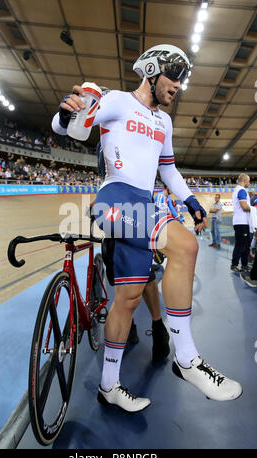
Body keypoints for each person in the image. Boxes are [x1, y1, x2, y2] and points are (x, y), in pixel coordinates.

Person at [52, 43, 242, 411]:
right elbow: (70, 128)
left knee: (128, 298)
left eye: (183, 80)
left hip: (143, 200)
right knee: (185, 247)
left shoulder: (165, 122)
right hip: (114, 198)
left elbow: (167, 168)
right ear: (152, 70)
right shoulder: (119, 101)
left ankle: (109, 386)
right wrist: (65, 113)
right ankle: (186, 359)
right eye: (175, 76)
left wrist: (190, 201)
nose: (179, 86)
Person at [95, 142, 170, 362]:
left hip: (135, 206)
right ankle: (130, 328)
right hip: (114, 207)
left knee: (145, 273)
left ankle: (158, 328)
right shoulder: (103, 139)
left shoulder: (130, 127)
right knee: (116, 273)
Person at [231, 174, 251, 273]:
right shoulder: (241, 190)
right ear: (244, 180)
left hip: (242, 222)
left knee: (246, 244)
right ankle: (234, 264)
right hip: (241, 222)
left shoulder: (239, 190)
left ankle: (244, 265)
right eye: (249, 181)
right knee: (241, 244)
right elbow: (244, 206)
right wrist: (254, 209)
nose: (249, 183)